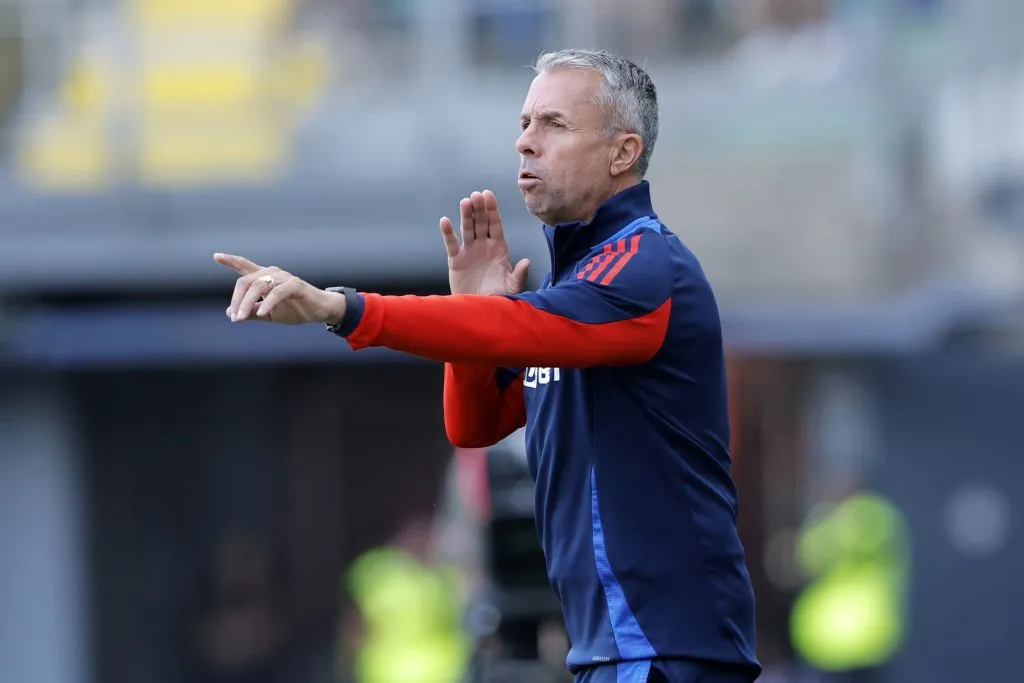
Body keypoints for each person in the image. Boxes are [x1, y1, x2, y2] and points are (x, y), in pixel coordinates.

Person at [214, 48, 761, 683]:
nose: (526, 143)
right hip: (613, 651)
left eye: (554, 124)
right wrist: (472, 311)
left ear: (622, 152)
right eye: (525, 123)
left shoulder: (643, 265)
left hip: (668, 651)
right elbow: (474, 425)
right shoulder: (578, 283)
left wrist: (340, 307)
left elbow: (516, 328)